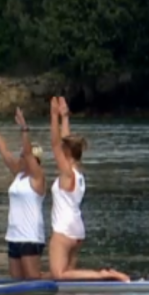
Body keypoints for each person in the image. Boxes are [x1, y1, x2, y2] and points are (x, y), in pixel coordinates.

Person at [47, 96, 130, 282]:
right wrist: (64, 117)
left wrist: (53, 116)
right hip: (77, 229)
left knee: (58, 275)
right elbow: (65, 142)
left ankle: (103, 275)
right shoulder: (77, 173)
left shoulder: (67, 173)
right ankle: (94, 283)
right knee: (69, 279)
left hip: (64, 230)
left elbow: (55, 145)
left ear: (67, 153)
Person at [0, 107, 47, 281]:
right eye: (21, 156)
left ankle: (60, 279)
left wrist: (24, 129)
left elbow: (27, 152)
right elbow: (4, 151)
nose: (21, 158)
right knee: (17, 282)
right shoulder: (19, 175)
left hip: (30, 236)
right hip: (14, 235)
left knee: (32, 278)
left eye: (24, 156)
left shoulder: (38, 178)